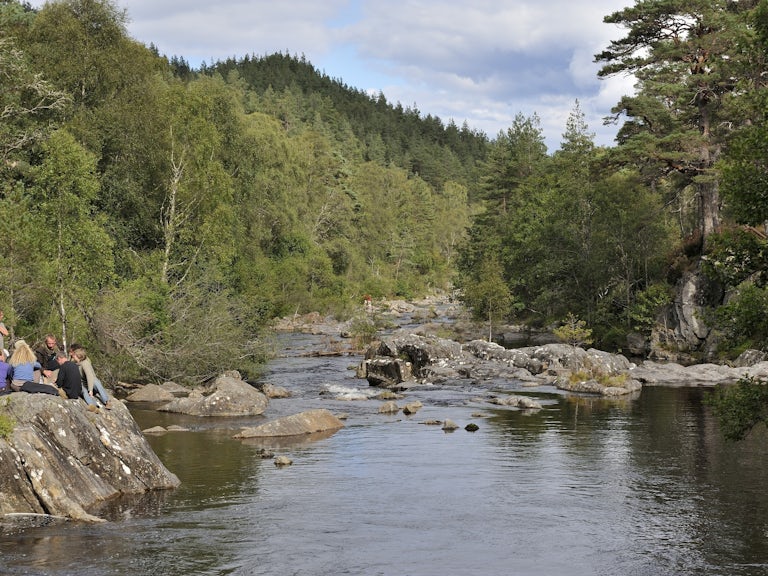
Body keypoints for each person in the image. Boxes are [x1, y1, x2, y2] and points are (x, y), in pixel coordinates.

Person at [69, 345, 111, 409]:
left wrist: (90, 390)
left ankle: (106, 401)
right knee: (83, 390)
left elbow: (90, 376)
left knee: (96, 382)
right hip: (83, 384)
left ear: (78, 355)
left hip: (91, 383)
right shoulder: (73, 362)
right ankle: (93, 405)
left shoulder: (85, 363)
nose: (72, 355)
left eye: (74, 354)